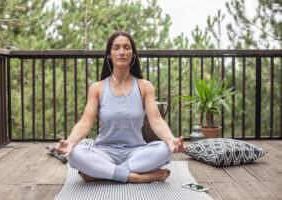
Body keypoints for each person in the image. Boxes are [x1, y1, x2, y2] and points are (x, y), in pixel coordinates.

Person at [53, 31, 188, 183]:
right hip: (103, 152)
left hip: (135, 152)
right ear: (109, 55)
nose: (122, 52)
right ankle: (136, 177)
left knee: (165, 150)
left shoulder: (145, 86)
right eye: (116, 48)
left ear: (133, 54)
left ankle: (100, 174)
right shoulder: (97, 88)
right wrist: (71, 142)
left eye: (126, 47)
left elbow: (156, 120)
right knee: (75, 154)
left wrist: (170, 140)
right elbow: (85, 121)